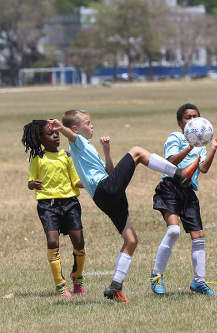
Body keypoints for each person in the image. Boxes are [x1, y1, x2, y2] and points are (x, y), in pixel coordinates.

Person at [48, 110, 199, 304]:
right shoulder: (77, 142)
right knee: (136, 151)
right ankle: (179, 174)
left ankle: (115, 287)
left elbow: (109, 170)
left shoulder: (87, 147)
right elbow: (71, 135)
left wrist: (107, 151)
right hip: (106, 190)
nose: (92, 125)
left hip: (106, 194)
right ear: (76, 128)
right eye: (88, 122)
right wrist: (61, 128)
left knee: (131, 240)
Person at [150, 103, 217, 296]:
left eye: (195, 117)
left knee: (199, 237)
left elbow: (204, 168)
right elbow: (170, 161)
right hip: (170, 188)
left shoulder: (202, 144)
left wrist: (213, 148)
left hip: (188, 191)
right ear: (180, 122)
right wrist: (190, 145)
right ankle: (156, 276)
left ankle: (199, 282)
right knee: (173, 231)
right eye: (187, 117)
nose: (192, 120)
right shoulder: (175, 137)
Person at [22, 120, 86, 298]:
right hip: (47, 205)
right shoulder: (38, 158)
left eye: (56, 132)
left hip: (70, 203)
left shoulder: (67, 156)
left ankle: (77, 276)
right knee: (52, 242)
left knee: (79, 242)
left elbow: (75, 181)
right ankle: (60, 284)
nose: (56, 135)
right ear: (41, 139)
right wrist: (32, 184)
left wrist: (88, 183)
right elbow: (30, 181)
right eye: (50, 134)